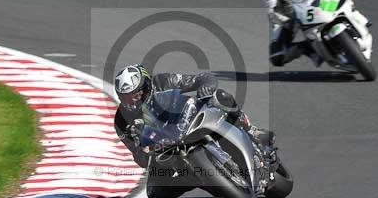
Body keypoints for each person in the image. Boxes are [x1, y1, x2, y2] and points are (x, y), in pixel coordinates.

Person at [112, 64, 274, 169]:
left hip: (187, 120)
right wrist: (146, 152)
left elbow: (202, 78)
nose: (133, 100)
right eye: (126, 97)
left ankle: (250, 130)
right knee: (156, 194)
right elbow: (138, 156)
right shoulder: (121, 121)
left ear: (147, 85)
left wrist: (205, 87)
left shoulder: (163, 81)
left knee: (220, 96)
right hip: (167, 152)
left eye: (136, 93)